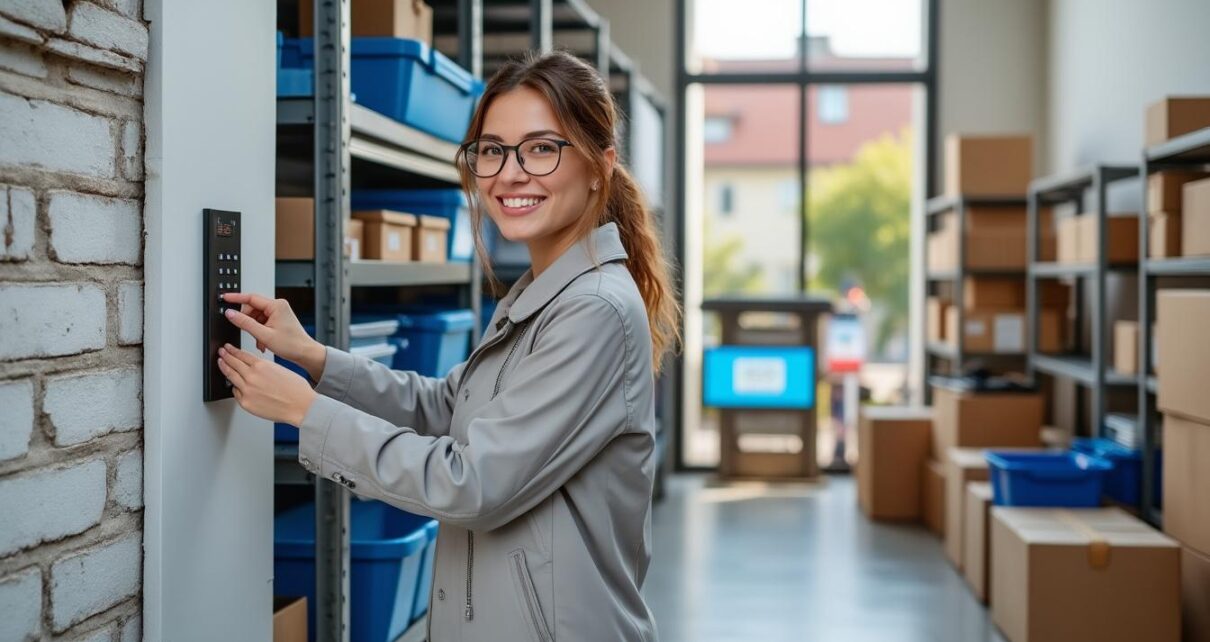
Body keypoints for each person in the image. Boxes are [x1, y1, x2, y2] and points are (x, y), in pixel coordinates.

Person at [217, 50, 680, 641]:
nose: (510, 174)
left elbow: (472, 483)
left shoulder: (592, 310)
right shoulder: (539, 292)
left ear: (599, 166)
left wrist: (305, 414)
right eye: (492, 150)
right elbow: (445, 406)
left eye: (542, 148)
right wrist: (312, 357)